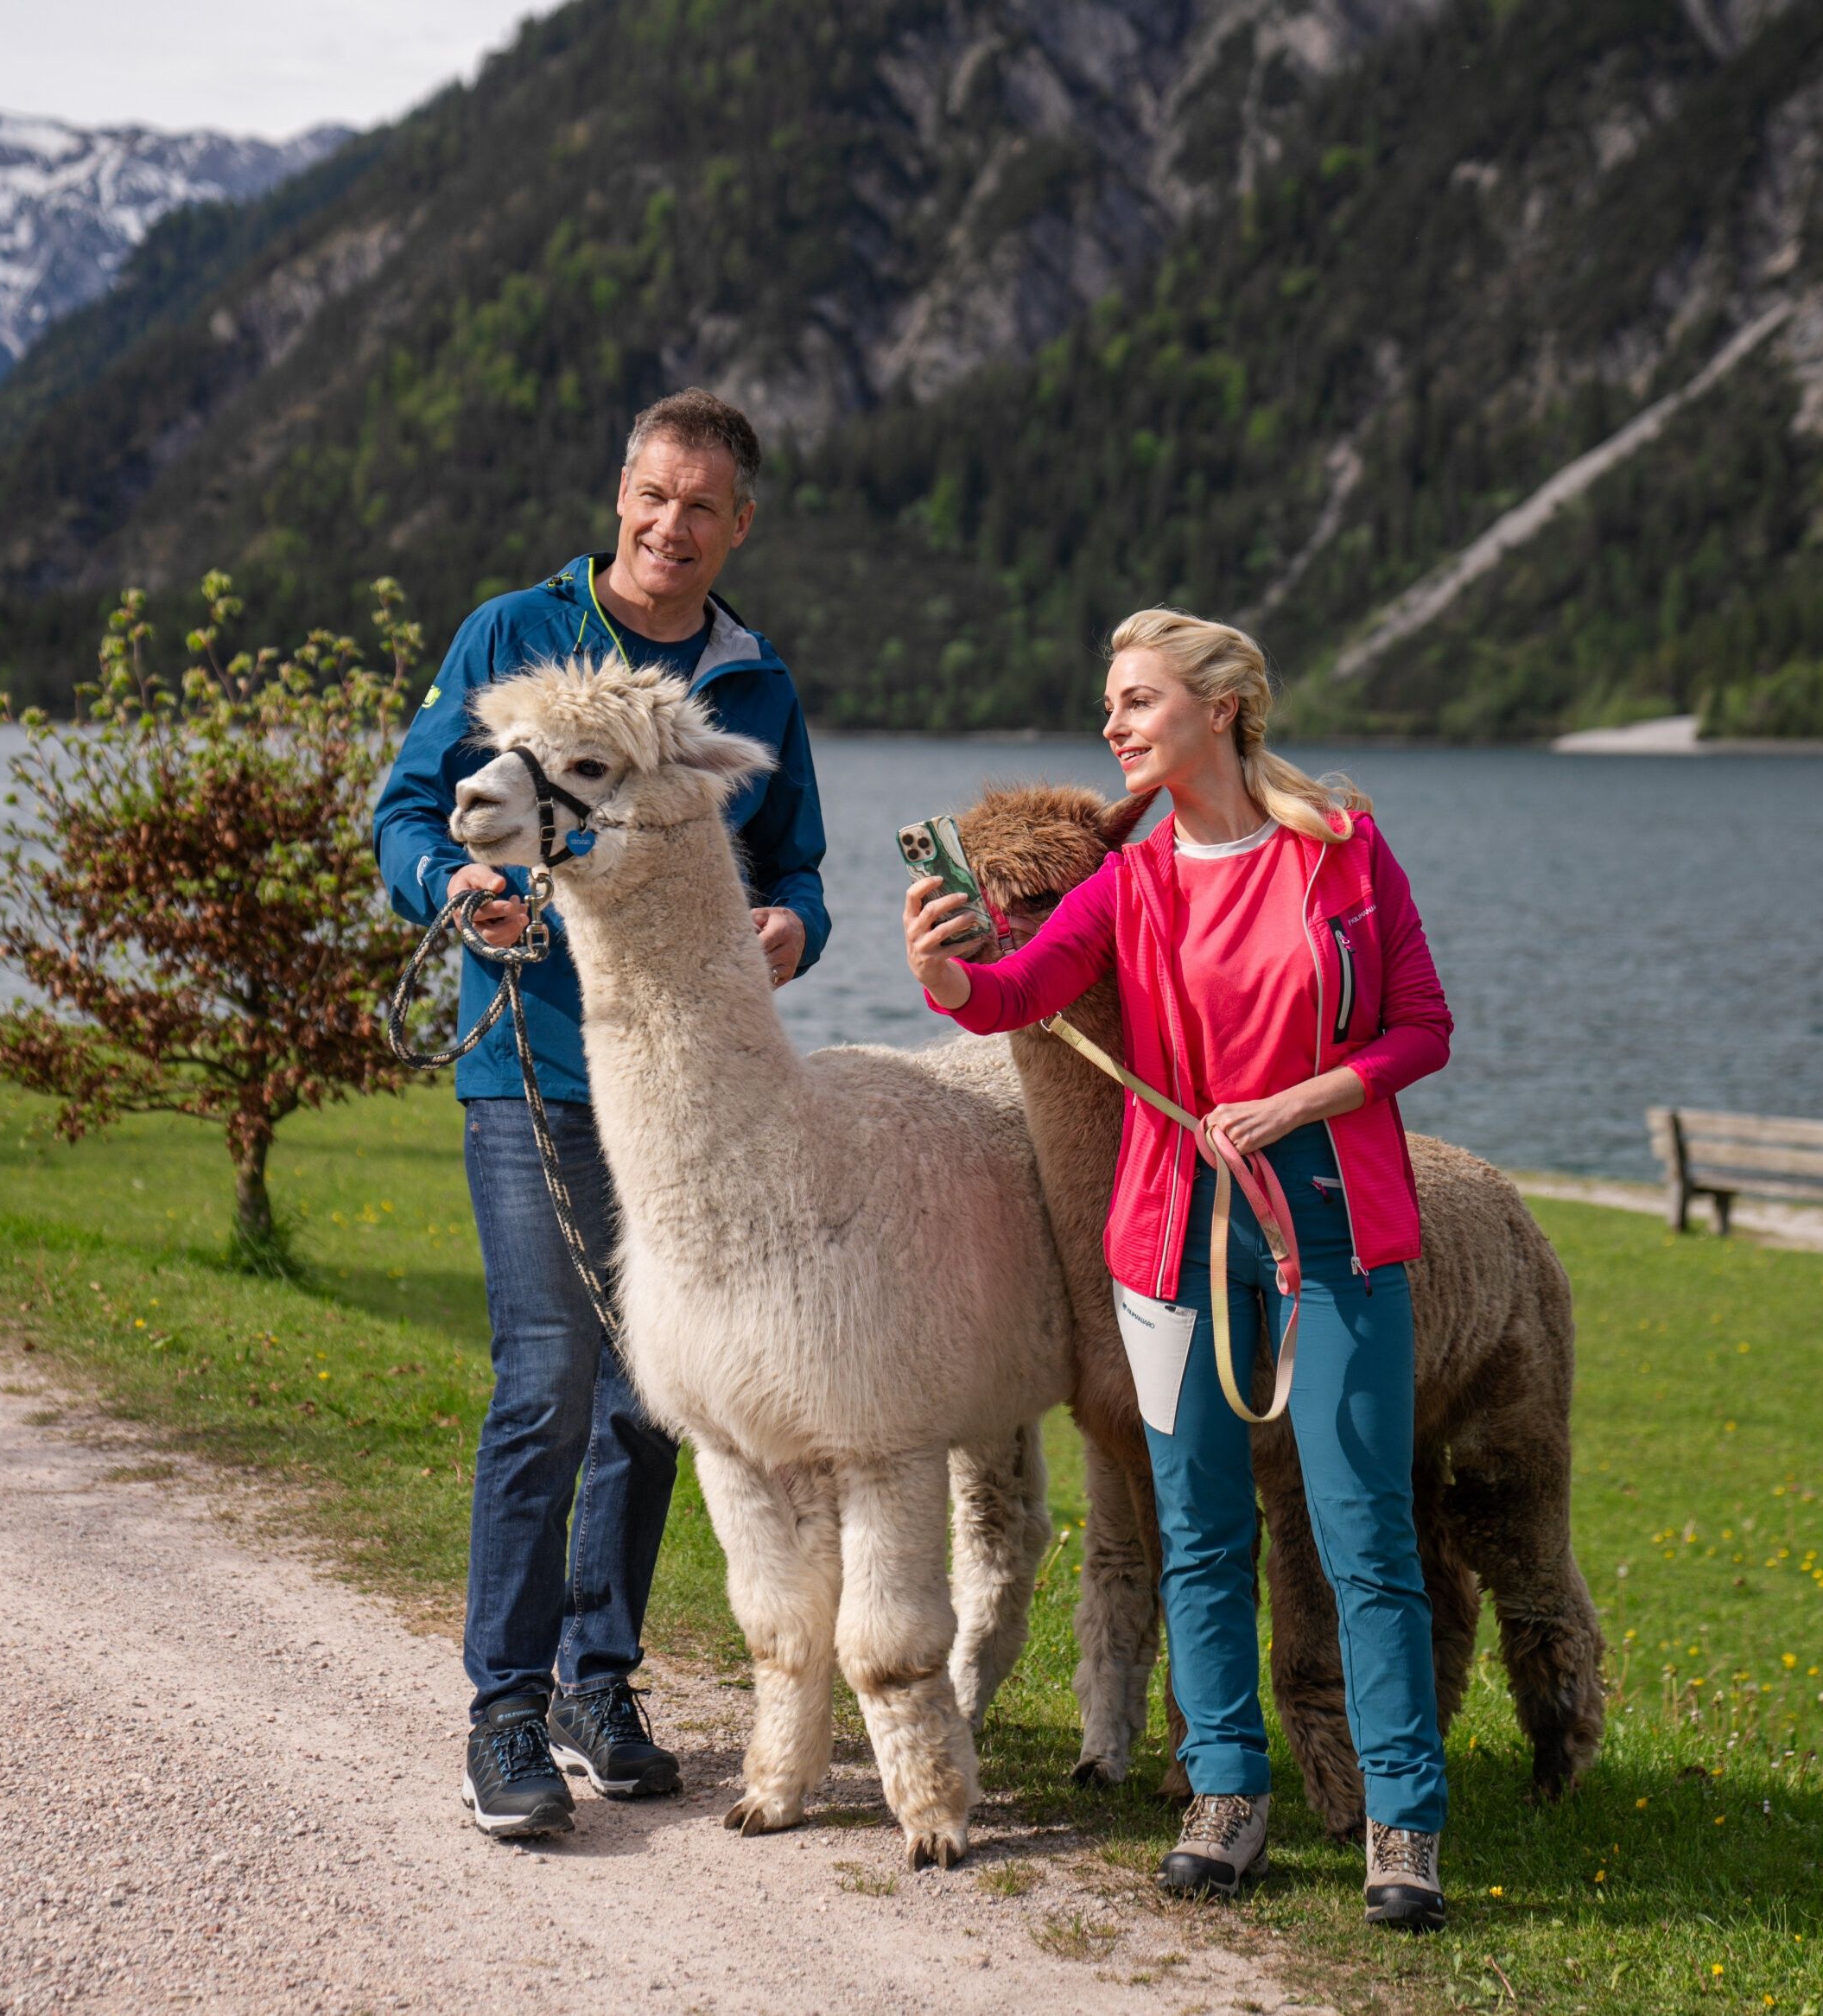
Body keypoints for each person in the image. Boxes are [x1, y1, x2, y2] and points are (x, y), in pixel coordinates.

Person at [903, 609, 1457, 1930]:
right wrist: (944, 972)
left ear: (1222, 706)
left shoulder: (1344, 850)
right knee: (1197, 1528)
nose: (1115, 724)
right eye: (1110, 703)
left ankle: (1404, 1819)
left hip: (1331, 1223)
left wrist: (1303, 1099)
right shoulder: (1134, 881)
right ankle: (1224, 1792)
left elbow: (1422, 1026)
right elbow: (1019, 993)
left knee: (1363, 1528)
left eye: (1138, 699)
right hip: (1170, 1234)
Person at [373, 389, 830, 1839]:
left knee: (652, 1397)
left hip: (688, 1094)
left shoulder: (753, 685)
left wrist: (793, 930)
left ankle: (597, 1677)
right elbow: (408, 809)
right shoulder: (513, 636)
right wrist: (452, 886)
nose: (669, 525)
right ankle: (503, 1710)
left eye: (701, 505)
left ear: (738, 523)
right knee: (549, 1376)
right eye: (652, 494)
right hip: (534, 1059)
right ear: (619, 493)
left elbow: (798, 868)